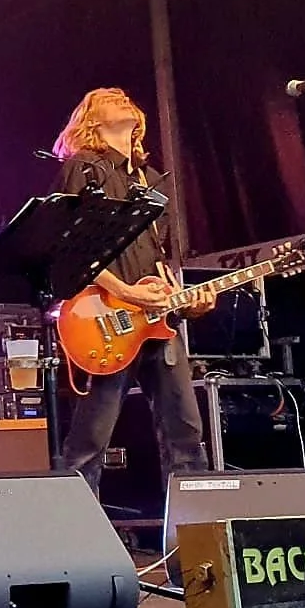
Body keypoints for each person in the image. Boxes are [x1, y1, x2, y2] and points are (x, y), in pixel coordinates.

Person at [52, 86, 210, 494]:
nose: (122, 97)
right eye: (108, 97)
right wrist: (127, 291)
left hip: (158, 320)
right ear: (90, 119)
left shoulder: (154, 181)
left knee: (186, 434)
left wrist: (186, 300)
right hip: (106, 318)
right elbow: (74, 249)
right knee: (90, 440)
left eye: (125, 96)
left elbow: (161, 257)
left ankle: (193, 544)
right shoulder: (85, 167)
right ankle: (77, 543)